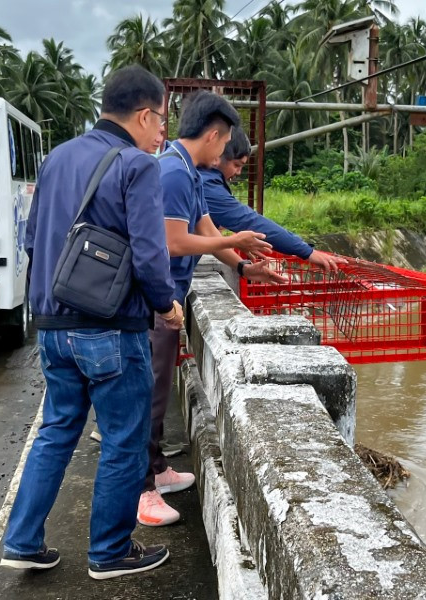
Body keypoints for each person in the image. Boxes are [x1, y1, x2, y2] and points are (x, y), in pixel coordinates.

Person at [1, 65, 182, 580]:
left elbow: (33, 239)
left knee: (56, 431)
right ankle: (109, 552)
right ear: (144, 115)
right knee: (125, 438)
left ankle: (22, 541)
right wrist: (166, 305)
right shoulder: (137, 165)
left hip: (52, 324)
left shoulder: (56, 157)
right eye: (161, 121)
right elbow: (150, 255)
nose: (162, 133)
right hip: (109, 328)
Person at [138, 90, 286, 527]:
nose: (227, 154)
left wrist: (243, 265)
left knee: (160, 389)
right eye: (226, 146)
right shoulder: (173, 174)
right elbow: (174, 241)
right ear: (215, 134)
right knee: (148, 394)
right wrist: (233, 240)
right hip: (154, 301)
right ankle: (143, 491)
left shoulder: (189, 171)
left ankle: (157, 468)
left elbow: (202, 226)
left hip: (169, 296)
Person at [201, 127, 348, 272]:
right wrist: (307, 252)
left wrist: (243, 267)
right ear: (217, 152)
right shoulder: (204, 182)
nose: (238, 173)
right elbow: (248, 220)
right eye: (237, 165)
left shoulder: (197, 174)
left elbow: (208, 236)